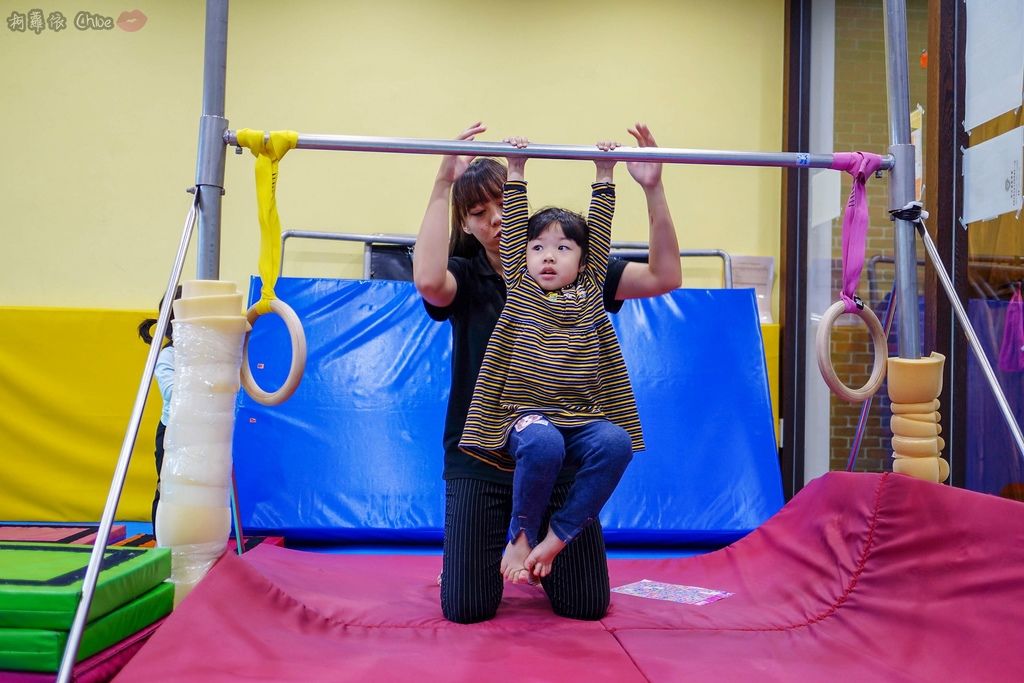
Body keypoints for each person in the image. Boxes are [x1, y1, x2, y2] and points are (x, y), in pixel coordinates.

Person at [413, 122, 679, 623]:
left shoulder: (571, 272)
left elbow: (665, 276)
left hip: (559, 455)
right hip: (485, 461)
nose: (493, 220)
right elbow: (428, 279)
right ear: (465, 224)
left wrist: (653, 188)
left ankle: (545, 541)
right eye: (478, 213)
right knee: (467, 607)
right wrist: (443, 181)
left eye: (500, 207)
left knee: (586, 606)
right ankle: (496, 548)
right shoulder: (466, 277)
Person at [459, 135, 642, 585]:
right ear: (523, 255)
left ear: (583, 263)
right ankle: (521, 534)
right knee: (544, 444)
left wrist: (605, 175)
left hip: (580, 418)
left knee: (616, 444)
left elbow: (598, 232)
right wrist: (516, 169)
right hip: (524, 418)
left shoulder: (591, 289)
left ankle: (558, 536)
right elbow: (518, 220)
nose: (547, 257)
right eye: (538, 247)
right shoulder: (520, 288)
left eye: (562, 249)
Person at [137, 285, 182, 528]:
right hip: (172, 432)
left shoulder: (205, 353)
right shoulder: (169, 355)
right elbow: (172, 392)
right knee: (168, 486)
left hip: (199, 432)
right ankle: (161, 538)